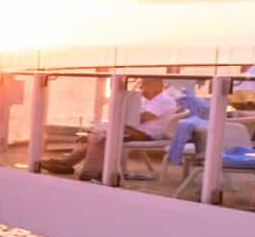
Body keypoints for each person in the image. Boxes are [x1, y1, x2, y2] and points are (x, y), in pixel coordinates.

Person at [37, 76, 186, 178]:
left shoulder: (165, 101)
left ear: (156, 86)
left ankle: (85, 170)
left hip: (146, 134)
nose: (141, 88)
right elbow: (133, 118)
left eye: (144, 85)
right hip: (135, 129)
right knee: (98, 133)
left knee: (103, 135)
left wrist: (120, 115)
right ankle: (67, 164)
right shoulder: (148, 100)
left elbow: (141, 119)